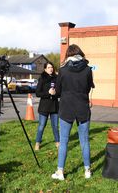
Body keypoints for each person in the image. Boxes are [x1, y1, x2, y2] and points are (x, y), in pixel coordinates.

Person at [50, 44, 95, 181]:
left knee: (63, 141)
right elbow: (88, 88)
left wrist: (54, 92)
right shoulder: (88, 69)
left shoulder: (63, 70)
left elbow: (58, 90)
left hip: (66, 108)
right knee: (84, 141)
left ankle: (60, 172)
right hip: (82, 107)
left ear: (68, 55)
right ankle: (87, 171)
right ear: (80, 53)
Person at [34, 62, 60, 150]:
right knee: (41, 126)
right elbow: (37, 93)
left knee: (55, 126)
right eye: (48, 67)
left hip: (55, 106)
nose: (51, 69)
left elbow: (60, 92)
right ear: (45, 69)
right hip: (44, 107)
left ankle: (57, 142)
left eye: (52, 67)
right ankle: (37, 143)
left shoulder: (57, 78)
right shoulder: (42, 78)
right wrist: (48, 93)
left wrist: (55, 93)